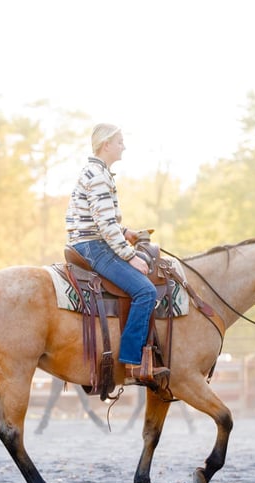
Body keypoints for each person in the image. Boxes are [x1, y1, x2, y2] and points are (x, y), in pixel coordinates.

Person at [65, 123, 170, 386]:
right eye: (120, 141)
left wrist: (126, 231)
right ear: (106, 144)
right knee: (145, 291)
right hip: (93, 245)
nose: (124, 146)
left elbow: (102, 218)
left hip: (89, 240)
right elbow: (103, 225)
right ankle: (132, 362)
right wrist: (129, 255)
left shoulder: (97, 172)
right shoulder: (99, 176)